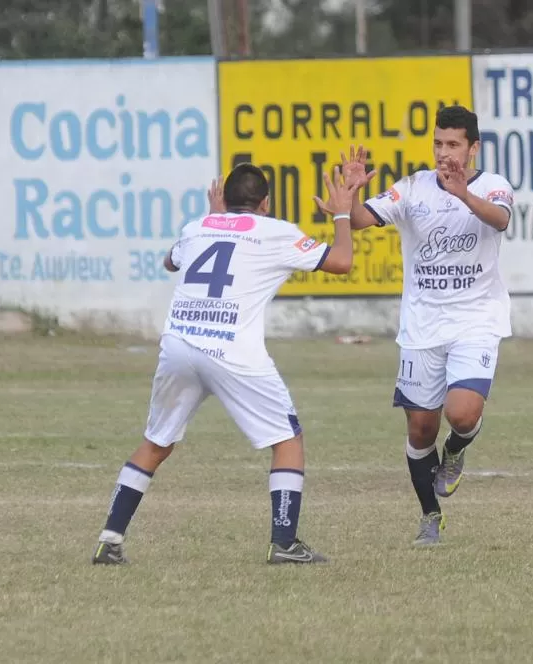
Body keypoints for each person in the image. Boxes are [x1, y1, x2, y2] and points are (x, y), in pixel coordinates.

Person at [91, 163, 363, 566]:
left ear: (225, 199)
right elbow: (341, 261)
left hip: (180, 343)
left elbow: (171, 262)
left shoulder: (196, 226)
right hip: (232, 350)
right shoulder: (276, 232)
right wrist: (342, 213)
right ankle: (284, 543)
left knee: (156, 442)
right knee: (287, 440)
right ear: (265, 203)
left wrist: (212, 219)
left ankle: (109, 539)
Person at [340, 105, 515, 546]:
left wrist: (463, 195)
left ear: (473, 148)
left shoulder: (493, 187)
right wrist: (350, 196)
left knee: (461, 413)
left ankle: (455, 452)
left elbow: (501, 220)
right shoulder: (414, 187)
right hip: (422, 326)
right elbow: (362, 220)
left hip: (476, 319)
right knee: (420, 430)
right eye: (438, 143)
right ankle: (430, 517)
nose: (444, 153)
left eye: (453, 144)